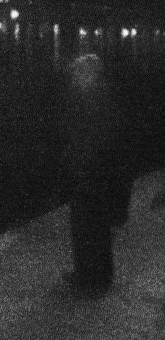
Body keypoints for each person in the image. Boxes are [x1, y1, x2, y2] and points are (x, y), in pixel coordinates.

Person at [62, 52, 128, 293]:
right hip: (97, 172)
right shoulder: (102, 96)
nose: (75, 79)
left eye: (79, 74)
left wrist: (81, 163)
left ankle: (90, 277)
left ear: (88, 75)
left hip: (92, 172)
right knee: (96, 226)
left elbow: (91, 138)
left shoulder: (93, 100)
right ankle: (97, 274)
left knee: (86, 225)